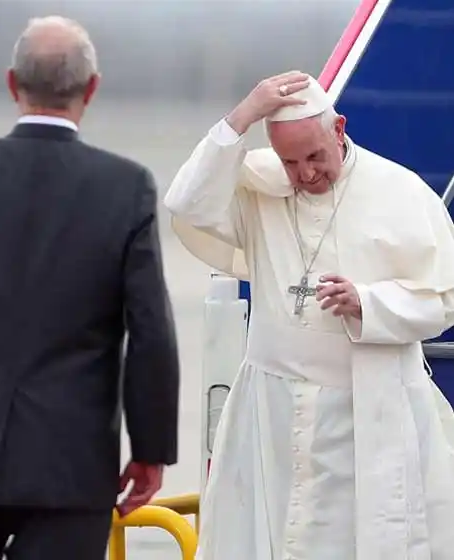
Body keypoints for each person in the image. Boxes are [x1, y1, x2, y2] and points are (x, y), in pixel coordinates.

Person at [0, 15, 180, 560]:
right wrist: (151, 448)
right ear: (91, 89)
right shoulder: (126, 187)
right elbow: (150, 332)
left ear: (12, 83)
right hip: (72, 465)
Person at [165, 70, 454, 559]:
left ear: (339, 129)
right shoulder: (259, 188)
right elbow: (188, 203)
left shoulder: (400, 192)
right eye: (290, 161)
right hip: (270, 411)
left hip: (367, 410)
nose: (305, 175)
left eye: (315, 157)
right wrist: (243, 116)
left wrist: (368, 303)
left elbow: (443, 300)